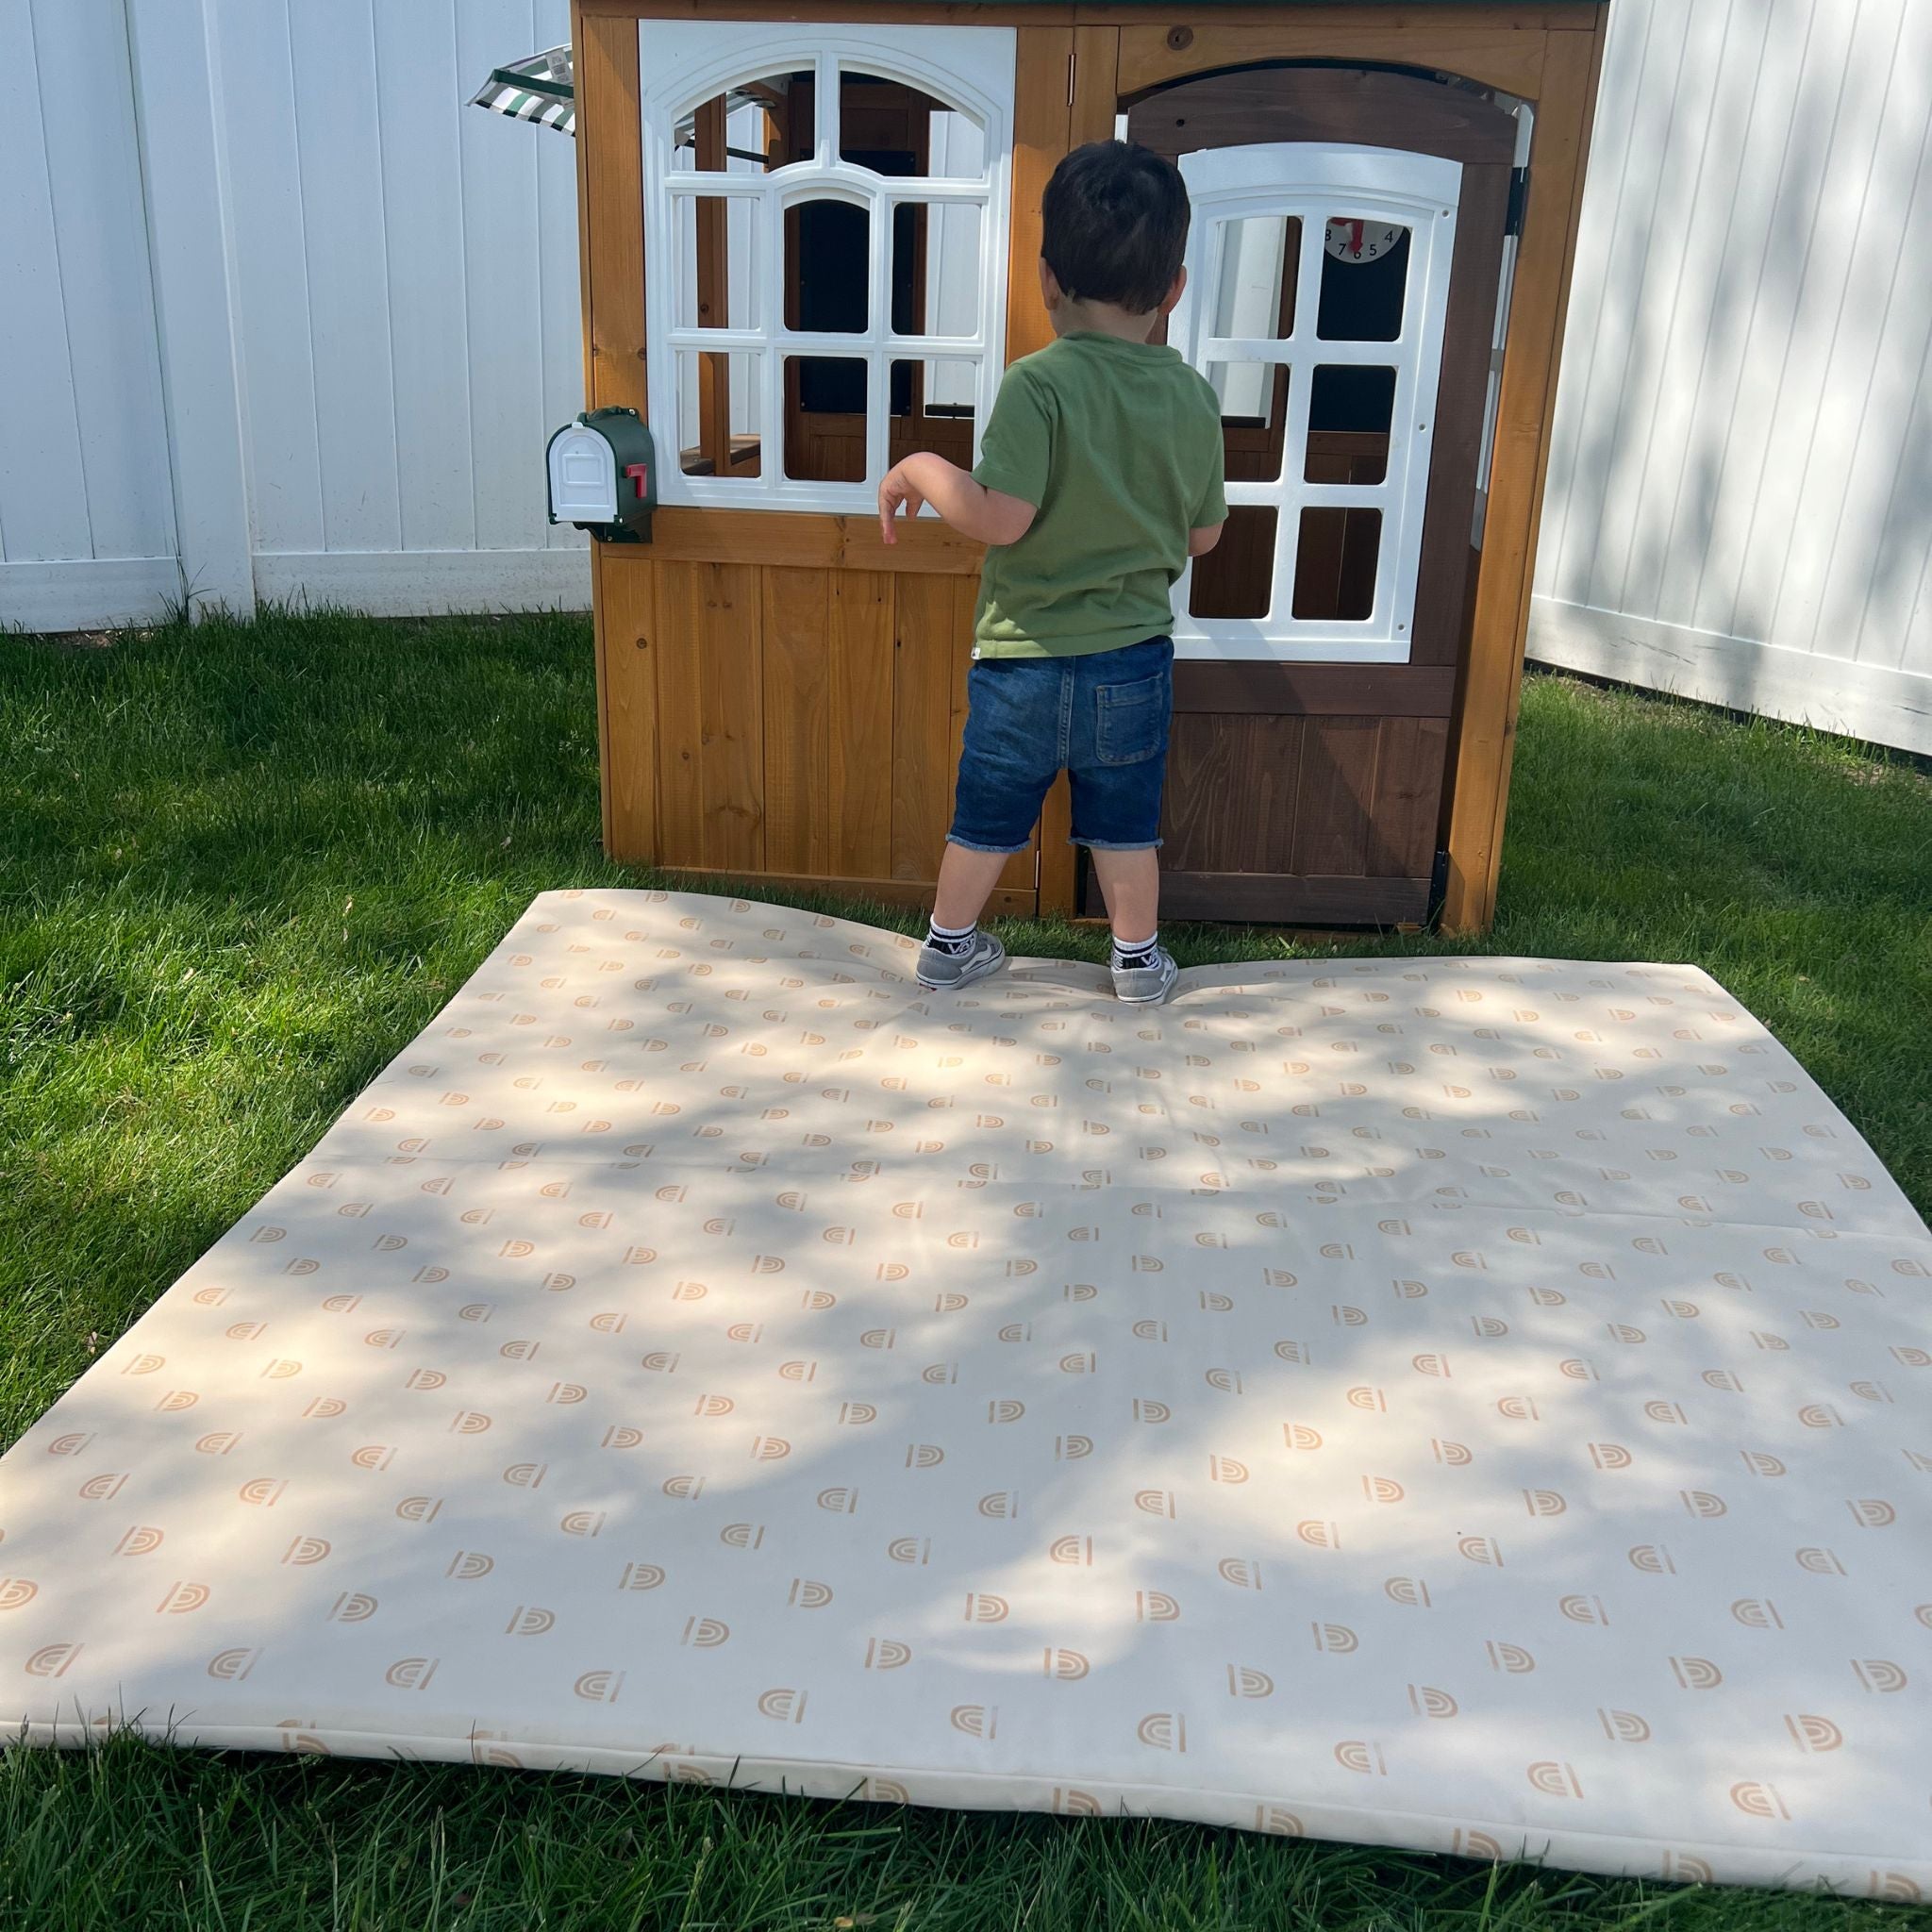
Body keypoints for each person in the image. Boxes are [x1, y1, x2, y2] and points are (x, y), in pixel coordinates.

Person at [877, 140, 1226, 1005]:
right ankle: (1137, 962)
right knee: (1124, 827)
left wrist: (920, 465)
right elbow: (1204, 538)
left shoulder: (1038, 386)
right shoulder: (1191, 398)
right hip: (1132, 659)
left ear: (1046, 279)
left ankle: (949, 947)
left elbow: (1000, 517)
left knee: (988, 817)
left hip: (1022, 657)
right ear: (1173, 289)